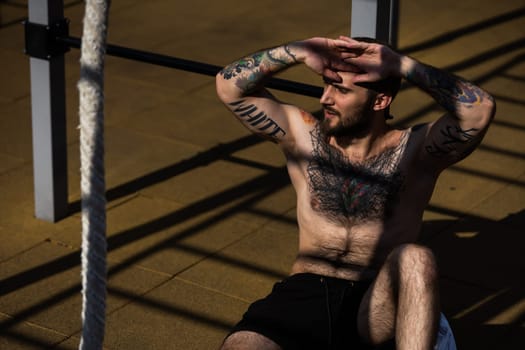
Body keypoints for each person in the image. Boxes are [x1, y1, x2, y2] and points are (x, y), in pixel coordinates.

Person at [215, 36, 495, 350]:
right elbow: (229, 86)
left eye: (342, 90)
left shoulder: (415, 150)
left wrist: (400, 64)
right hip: (306, 293)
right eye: (326, 84)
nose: (325, 98)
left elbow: (479, 110)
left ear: (380, 101)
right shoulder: (303, 136)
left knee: (417, 258)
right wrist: (298, 51)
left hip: (375, 301)